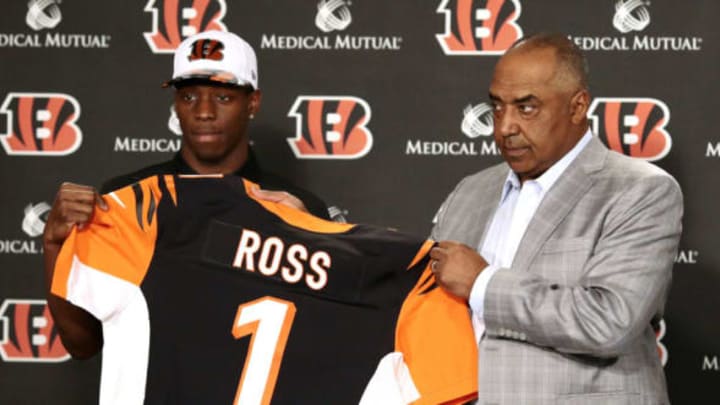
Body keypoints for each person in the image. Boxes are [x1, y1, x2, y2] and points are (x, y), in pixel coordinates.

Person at [43, 30, 330, 359]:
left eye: (223, 97)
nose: (204, 112)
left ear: (253, 102)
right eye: (189, 96)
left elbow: (327, 342)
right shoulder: (127, 200)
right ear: (175, 104)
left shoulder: (296, 207)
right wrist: (53, 245)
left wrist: (307, 236)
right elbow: (83, 343)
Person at [429, 32, 682, 404]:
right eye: (497, 107)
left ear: (578, 107)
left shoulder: (640, 191)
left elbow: (608, 321)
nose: (504, 127)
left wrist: (483, 284)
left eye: (526, 108)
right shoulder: (471, 190)